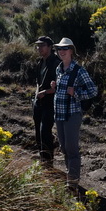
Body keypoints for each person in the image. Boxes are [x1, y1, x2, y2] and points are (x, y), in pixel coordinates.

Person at [49, 37, 97, 193]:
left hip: (72, 114)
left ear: (71, 51)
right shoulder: (59, 69)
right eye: (59, 49)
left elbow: (93, 91)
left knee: (72, 149)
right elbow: (61, 90)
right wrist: (55, 86)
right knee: (64, 147)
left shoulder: (79, 70)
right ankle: (70, 178)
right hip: (59, 114)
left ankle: (72, 183)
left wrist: (75, 92)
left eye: (65, 48)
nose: (61, 51)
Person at [33, 36, 61, 165]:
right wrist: (37, 93)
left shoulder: (56, 63)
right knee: (38, 132)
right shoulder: (40, 62)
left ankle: (48, 162)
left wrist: (45, 92)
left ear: (50, 47)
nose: (39, 48)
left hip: (50, 103)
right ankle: (42, 159)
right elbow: (38, 81)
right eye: (38, 45)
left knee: (45, 132)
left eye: (42, 45)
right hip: (39, 101)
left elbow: (59, 86)